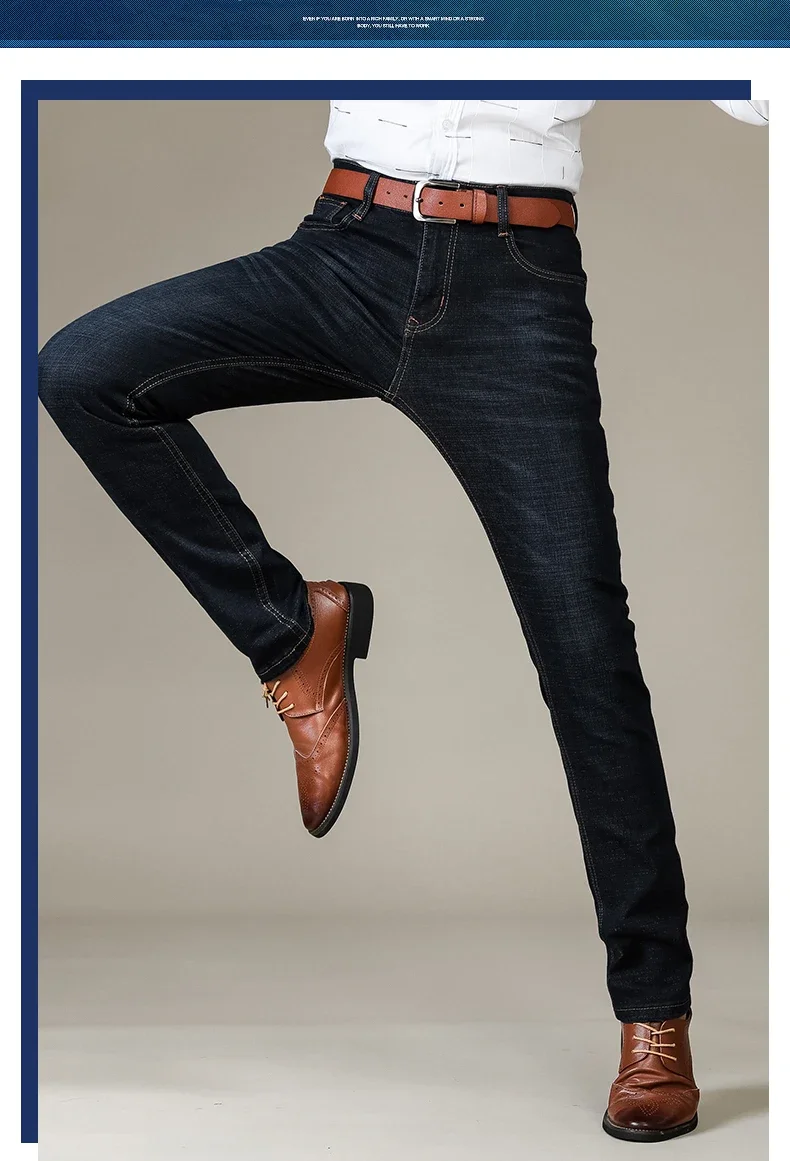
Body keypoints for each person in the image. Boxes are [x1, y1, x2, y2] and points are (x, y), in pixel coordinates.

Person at [38, 98, 768, 1141]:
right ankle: (291, 632)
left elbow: (755, 83)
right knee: (86, 370)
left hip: (516, 278)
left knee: (586, 652)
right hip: (347, 245)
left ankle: (654, 1015)